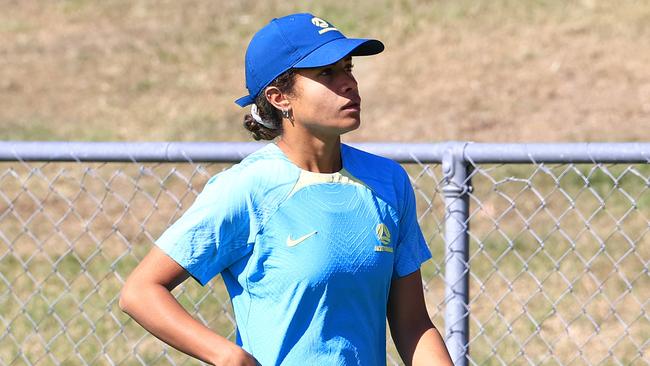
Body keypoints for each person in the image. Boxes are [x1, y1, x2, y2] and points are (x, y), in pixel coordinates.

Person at [119, 13, 453, 366]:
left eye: (348, 68)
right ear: (280, 97)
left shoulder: (388, 182)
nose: (349, 84)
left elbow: (413, 325)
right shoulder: (246, 189)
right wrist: (228, 356)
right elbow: (140, 291)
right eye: (327, 73)